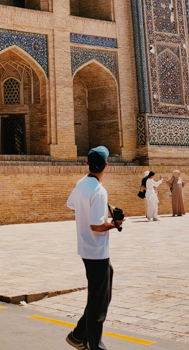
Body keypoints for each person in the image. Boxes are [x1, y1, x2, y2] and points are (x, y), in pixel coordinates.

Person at [65, 146, 124, 350]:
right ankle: (93, 344)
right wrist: (114, 224)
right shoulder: (98, 190)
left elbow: (71, 204)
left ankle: (79, 334)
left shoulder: (82, 183)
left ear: (86, 164)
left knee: (102, 291)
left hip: (85, 248)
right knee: (98, 301)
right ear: (107, 165)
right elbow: (97, 226)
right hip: (97, 250)